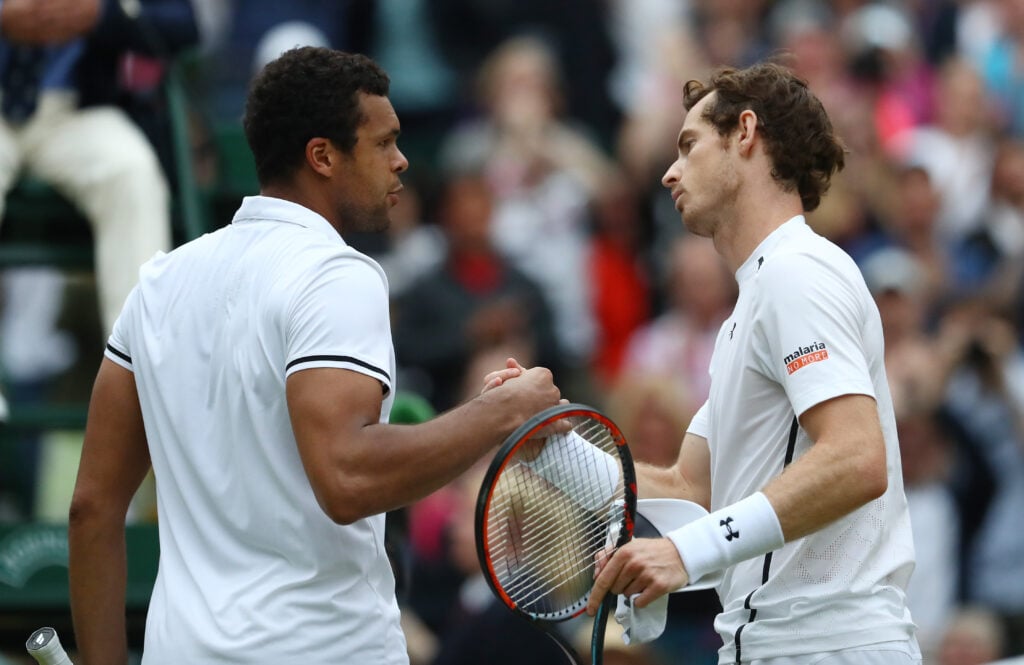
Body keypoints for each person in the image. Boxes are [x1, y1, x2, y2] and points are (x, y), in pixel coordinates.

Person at [66, 46, 563, 664]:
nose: (402, 161)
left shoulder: (161, 282)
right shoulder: (336, 275)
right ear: (323, 156)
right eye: (384, 143)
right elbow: (347, 476)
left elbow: (91, 509)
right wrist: (500, 414)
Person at [586, 62, 921, 664]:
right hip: (774, 644)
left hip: (829, 645)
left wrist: (685, 553)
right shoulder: (756, 300)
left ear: (744, 133)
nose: (669, 172)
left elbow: (856, 458)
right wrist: (545, 441)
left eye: (689, 146)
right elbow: (692, 487)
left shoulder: (796, 271)